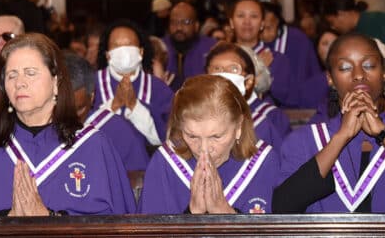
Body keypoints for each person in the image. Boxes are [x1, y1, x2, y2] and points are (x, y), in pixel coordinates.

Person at [0, 33, 136, 216]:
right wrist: (6, 222)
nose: (20, 83)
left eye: (30, 73)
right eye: (12, 75)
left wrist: (51, 219)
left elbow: (120, 224)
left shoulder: (93, 146)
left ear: (55, 82)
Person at [272, 32, 385, 213]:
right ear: (330, 78)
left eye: (369, 65)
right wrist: (340, 138)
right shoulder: (303, 141)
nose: (359, 74)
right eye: (345, 67)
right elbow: (283, 206)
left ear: (383, 75)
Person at [138, 75, 279, 214]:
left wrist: (225, 213)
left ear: (238, 127)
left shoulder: (264, 162)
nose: (204, 149)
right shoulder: (165, 162)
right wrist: (191, 214)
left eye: (216, 136)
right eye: (192, 136)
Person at [65, 52, 150, 175]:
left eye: (79, 109)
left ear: (92, 97)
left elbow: (138, 184)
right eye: (60, 108)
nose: (69, 117)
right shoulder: (36, 129)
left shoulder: (117, 131)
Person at [93, 19, 174, 146]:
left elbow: (170, 139)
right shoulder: (91, 85)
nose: (123, 50)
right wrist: (113, 106)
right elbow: (79, 134)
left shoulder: (159, 89)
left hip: (147, 164)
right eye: (116, 46)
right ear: (107, 55)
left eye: (129, 45)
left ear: (141, 51)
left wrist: (134, 107)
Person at [228, 0, 317, 108]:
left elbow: (291, 99)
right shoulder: (219, 57)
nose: (247, 21)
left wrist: (266, 73)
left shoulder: (277, 59)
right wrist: (259, 68)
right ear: (231, 22)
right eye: (241, 16)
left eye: (254, 16)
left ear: (262, 24)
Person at [205, 42, 290, 150]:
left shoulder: (271, 116)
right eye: (217, 69)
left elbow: (285, 157)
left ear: (249, 80)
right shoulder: (198, 112)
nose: (224, 75)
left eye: (233, 69)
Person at [163, 2, 216, 90]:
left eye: (186, 22)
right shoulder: (159, 47)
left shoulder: (211, 47)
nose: (179, 27)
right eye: (174, 22)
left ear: (196, 25)